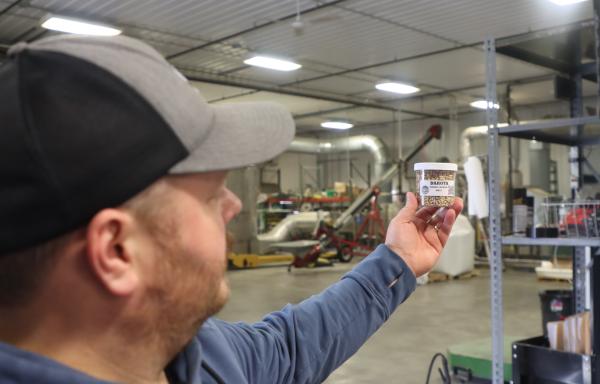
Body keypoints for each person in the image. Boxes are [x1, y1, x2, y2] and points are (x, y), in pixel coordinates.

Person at [0, 34, 463, 384]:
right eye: (209, 195)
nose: (234, 204)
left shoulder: (190, 358)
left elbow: (289, 347)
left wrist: (397, 261)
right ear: (117, 249)